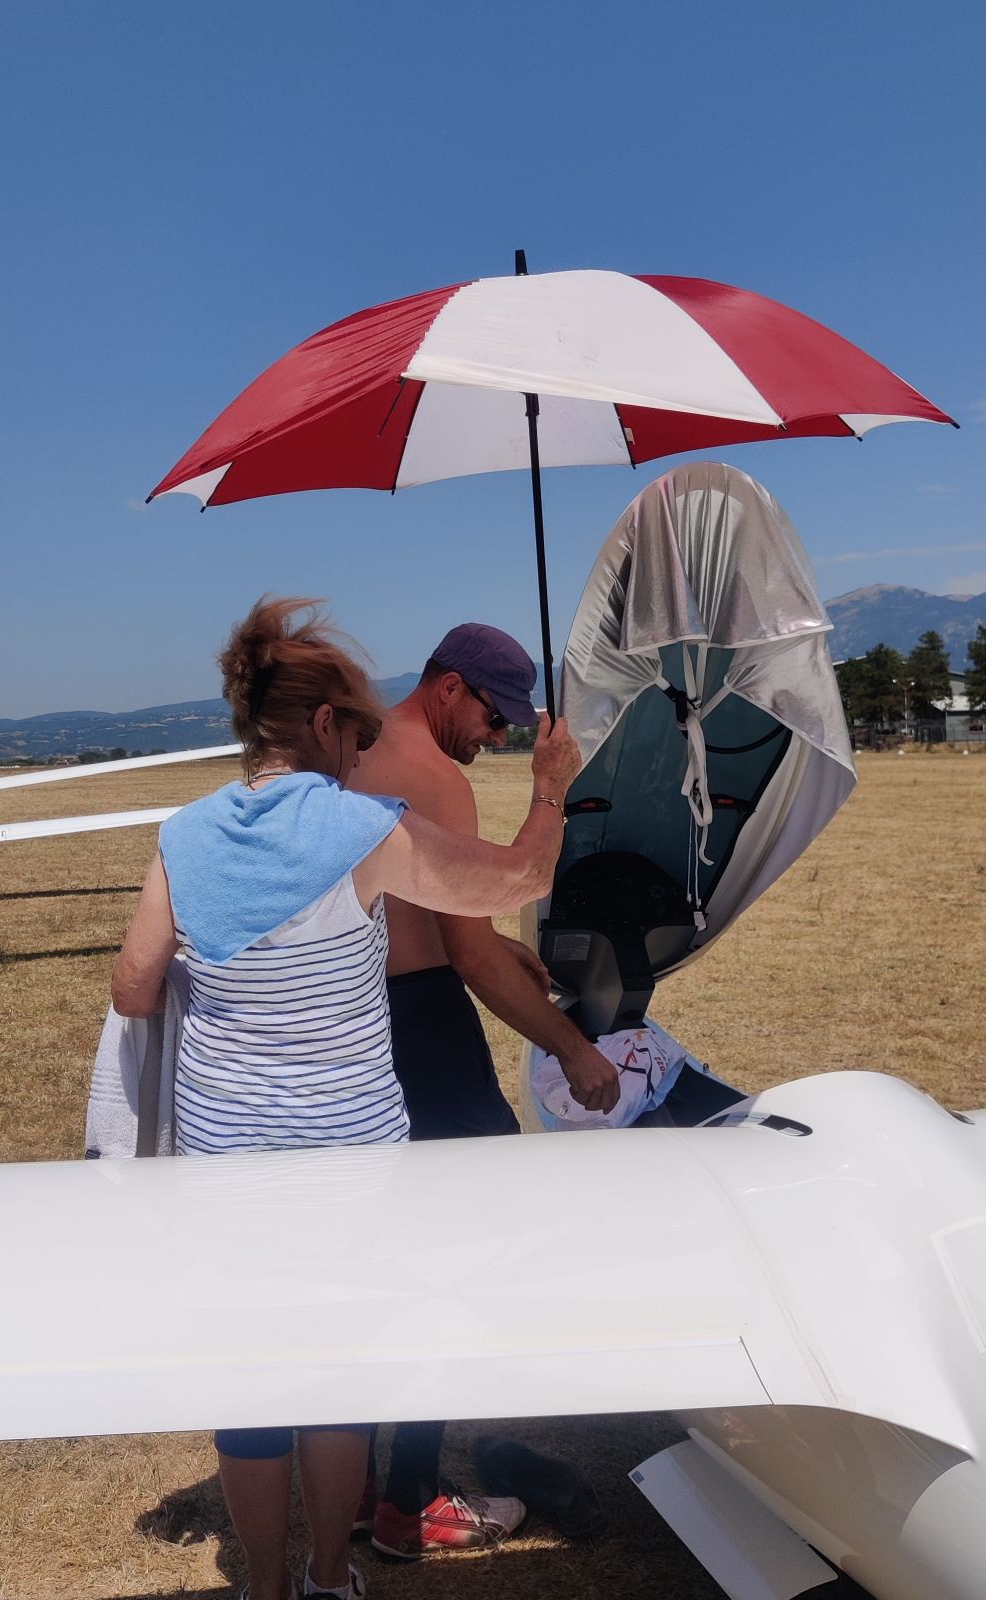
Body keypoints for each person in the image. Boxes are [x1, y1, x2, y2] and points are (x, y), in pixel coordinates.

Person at [111, 598, 581, 1600]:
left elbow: (134, 988)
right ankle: (329, 1576)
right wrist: (549, 789)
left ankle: (263, 1588)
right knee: (336, 1374)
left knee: (250, 1390)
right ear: (324, 724)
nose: (360, 754)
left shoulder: (183, 835)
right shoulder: (366, 829)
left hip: (224, 1165)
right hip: (350, 1162)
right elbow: (514, 882)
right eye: (356, 735)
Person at [348, 623, 620, 1560]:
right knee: (454, 1259)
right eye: (493, 716)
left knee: (377, 1262)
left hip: (351, 1032)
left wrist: (493, 938)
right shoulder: (433, 775)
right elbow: (462, 955)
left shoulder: (347, 751)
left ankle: (358, 1486)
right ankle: (410, 1503)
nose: (496, 736)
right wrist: (572, 1049)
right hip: (423, 1032)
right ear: (449, 688)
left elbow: (419, 912)